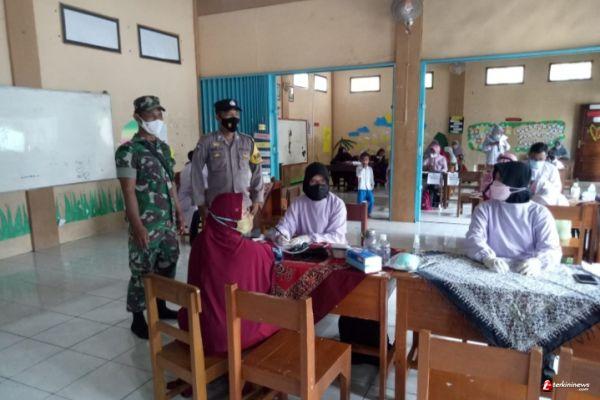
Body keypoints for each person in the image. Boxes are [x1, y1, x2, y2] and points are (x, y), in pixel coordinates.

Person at [115, 95, 185, 339]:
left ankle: (161, 306)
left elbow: (170, 183)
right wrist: (137, 226)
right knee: (142, 269)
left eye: (159, 114)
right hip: (146, 222)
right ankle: (137, 318)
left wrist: (179, 211)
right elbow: (128, 191)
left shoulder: (163, 148)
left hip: (166, 222)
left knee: (168, 261)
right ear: (138, 117)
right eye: (151, 114)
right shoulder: (128, 150)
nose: (157, 118)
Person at [178, 192, 279, 356]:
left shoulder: (199, 242)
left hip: (198, 330)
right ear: (230, 220)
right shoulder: (251, 251)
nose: (249, 215)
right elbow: (271, 258)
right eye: (244, 213)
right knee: (282, 316)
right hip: (233, 335)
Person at [466, 161, 561, 275]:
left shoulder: (539, 213)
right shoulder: (485, 209)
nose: (494, 183)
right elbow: (474, 238)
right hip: (494, 267)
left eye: (500, 179)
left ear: (515, 181)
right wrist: (487, 258)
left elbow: (551, 248)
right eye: (495, 179)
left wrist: (538, 262)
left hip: (525, 269)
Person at [191, 98, 263, 223]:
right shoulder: (206, 141)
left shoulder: (248, 142)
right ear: (218, 117)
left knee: (243, 235)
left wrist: (257, 199)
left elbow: (257, 170)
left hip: (243, 207)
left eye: (236, 114)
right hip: (217, 207)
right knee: (218, 236)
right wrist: (200, 203)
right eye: (229, 114)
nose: (233, 118)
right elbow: (195, 172)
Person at [270, 162, 347, 246]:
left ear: (327, 182)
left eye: (322, 181)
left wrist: (310, 238)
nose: (318, 185)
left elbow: (337, 237)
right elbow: (287, 224)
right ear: (307, 183)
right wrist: (282, 235)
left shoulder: (337, 204)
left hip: (330, 250)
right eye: (313, 181)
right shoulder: (298, 203)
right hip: (303, 249)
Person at [528, 142, 568, 206]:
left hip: (544, 201)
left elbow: (556, 189)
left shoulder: (552, 169)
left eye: (540, 159)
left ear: (546, 157)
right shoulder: (521, 166)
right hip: (524, 200)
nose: (537, 162)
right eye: (533, 159)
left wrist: (543, 185)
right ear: (529, 155)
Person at [422, 143, 448, 208]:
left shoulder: (442, 158)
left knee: (435, 187)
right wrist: (427, 158)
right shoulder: (430, 157)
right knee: (425, 185)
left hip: (439, 177)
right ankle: (427, 202)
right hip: (430, 177)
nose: (432, 152)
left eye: (433, 151)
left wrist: (440, 171)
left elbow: (445, 169)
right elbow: (423, 164)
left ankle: (435, 202)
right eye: (431, 151)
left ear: (437, 150)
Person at [356, 152, 375, 216]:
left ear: (368, 160)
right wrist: (363, 168)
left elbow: (371, 178)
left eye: (366, 159)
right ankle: (360, 213)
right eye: (363, 159)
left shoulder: (370, 169)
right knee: (360, 202)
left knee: (372, 200)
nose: (365, 161)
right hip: (361, 188)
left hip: (369, 188)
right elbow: (358, 175)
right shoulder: (358, 168)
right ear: (361, 160)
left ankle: (368, 213)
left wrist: (372, 185)